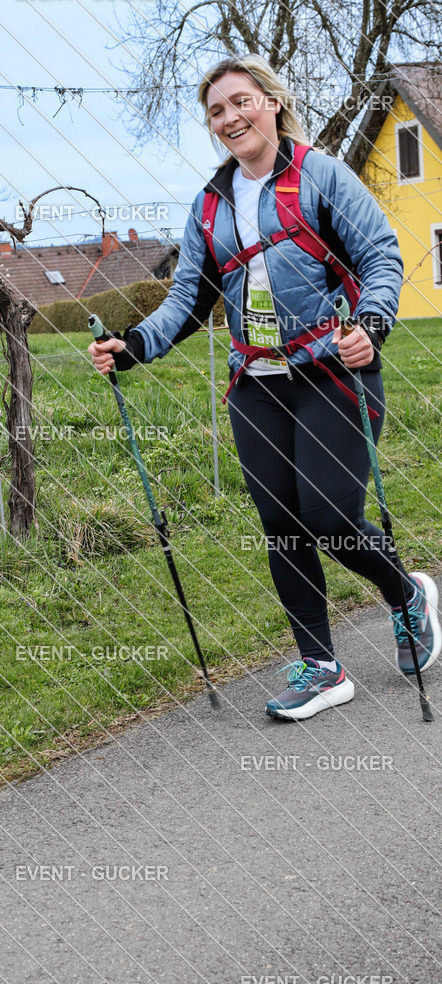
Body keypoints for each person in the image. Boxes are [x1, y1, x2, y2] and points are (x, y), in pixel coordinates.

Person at [88, 54, 440, 721]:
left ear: (271, 103)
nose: (230, 117)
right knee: (281, 525)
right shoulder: (210, 205)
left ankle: (405, 596)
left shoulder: (321, 176)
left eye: (241, 101)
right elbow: (188, 299)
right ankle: (321, 666)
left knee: (332, 516)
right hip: (256, 384)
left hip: (334, 371)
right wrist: (132, 346)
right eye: (217, 110)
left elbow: (380, 257)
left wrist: (371, 323)